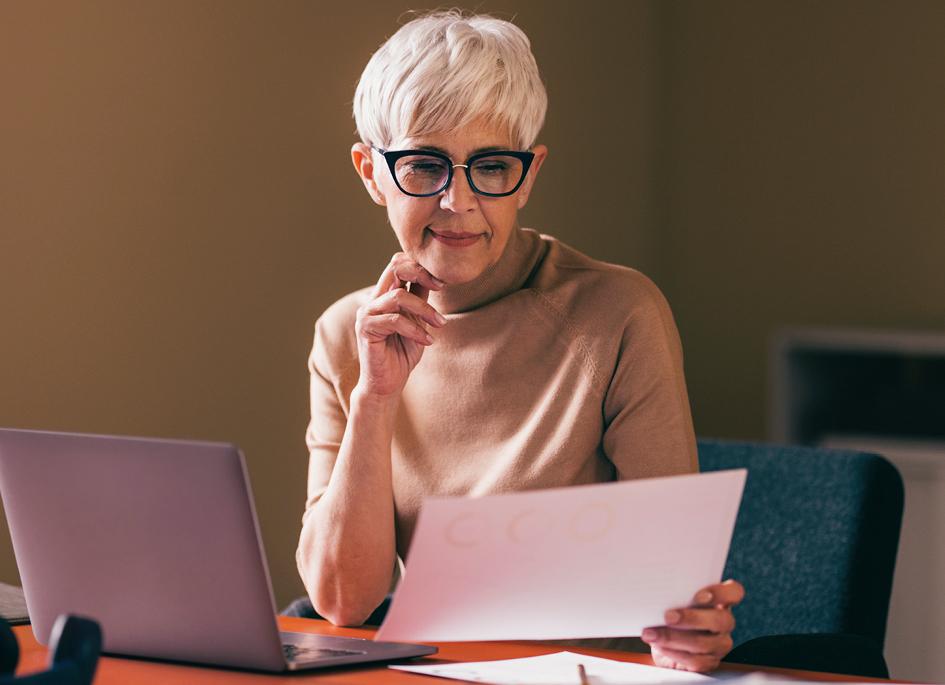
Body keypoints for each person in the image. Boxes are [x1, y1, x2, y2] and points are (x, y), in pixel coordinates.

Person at [295, 10, 743, 672]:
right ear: (372, 171)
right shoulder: (348, 333)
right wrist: (375, 397)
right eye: (423, 167)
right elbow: (343, 601)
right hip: (426, 672)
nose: (458, 201)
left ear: (527, 175)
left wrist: (690, 628)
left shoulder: (617, 313)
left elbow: (673, 588)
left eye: (491, 166)